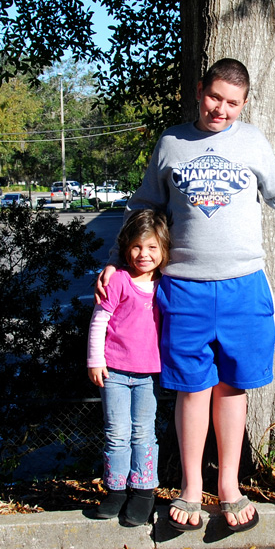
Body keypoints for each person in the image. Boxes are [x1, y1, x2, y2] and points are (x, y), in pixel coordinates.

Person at [97, 58, 275, 532]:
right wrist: (114, 256)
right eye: (213, 98)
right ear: (199, 90)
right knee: (191, 391)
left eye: (231, 103)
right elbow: (144, 206)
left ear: (243, 104)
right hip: (183, 288)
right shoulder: (171, 143)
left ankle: (228, 486)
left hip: (243, 287)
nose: (220, 109)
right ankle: (189, 489)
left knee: (232, 388)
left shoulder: (250, 142)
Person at [87, 209, 171, 527]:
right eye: (136, 247)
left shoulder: (166, 285)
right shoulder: (119, 280)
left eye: (151, 247)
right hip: (115, 373)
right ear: (126, 249)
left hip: (148, 374)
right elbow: (100, 320)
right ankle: (116, 490)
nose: (143, 254)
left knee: (143, 433)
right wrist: (95, 360)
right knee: (116, 434)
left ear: (163, 249)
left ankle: (143, 491)